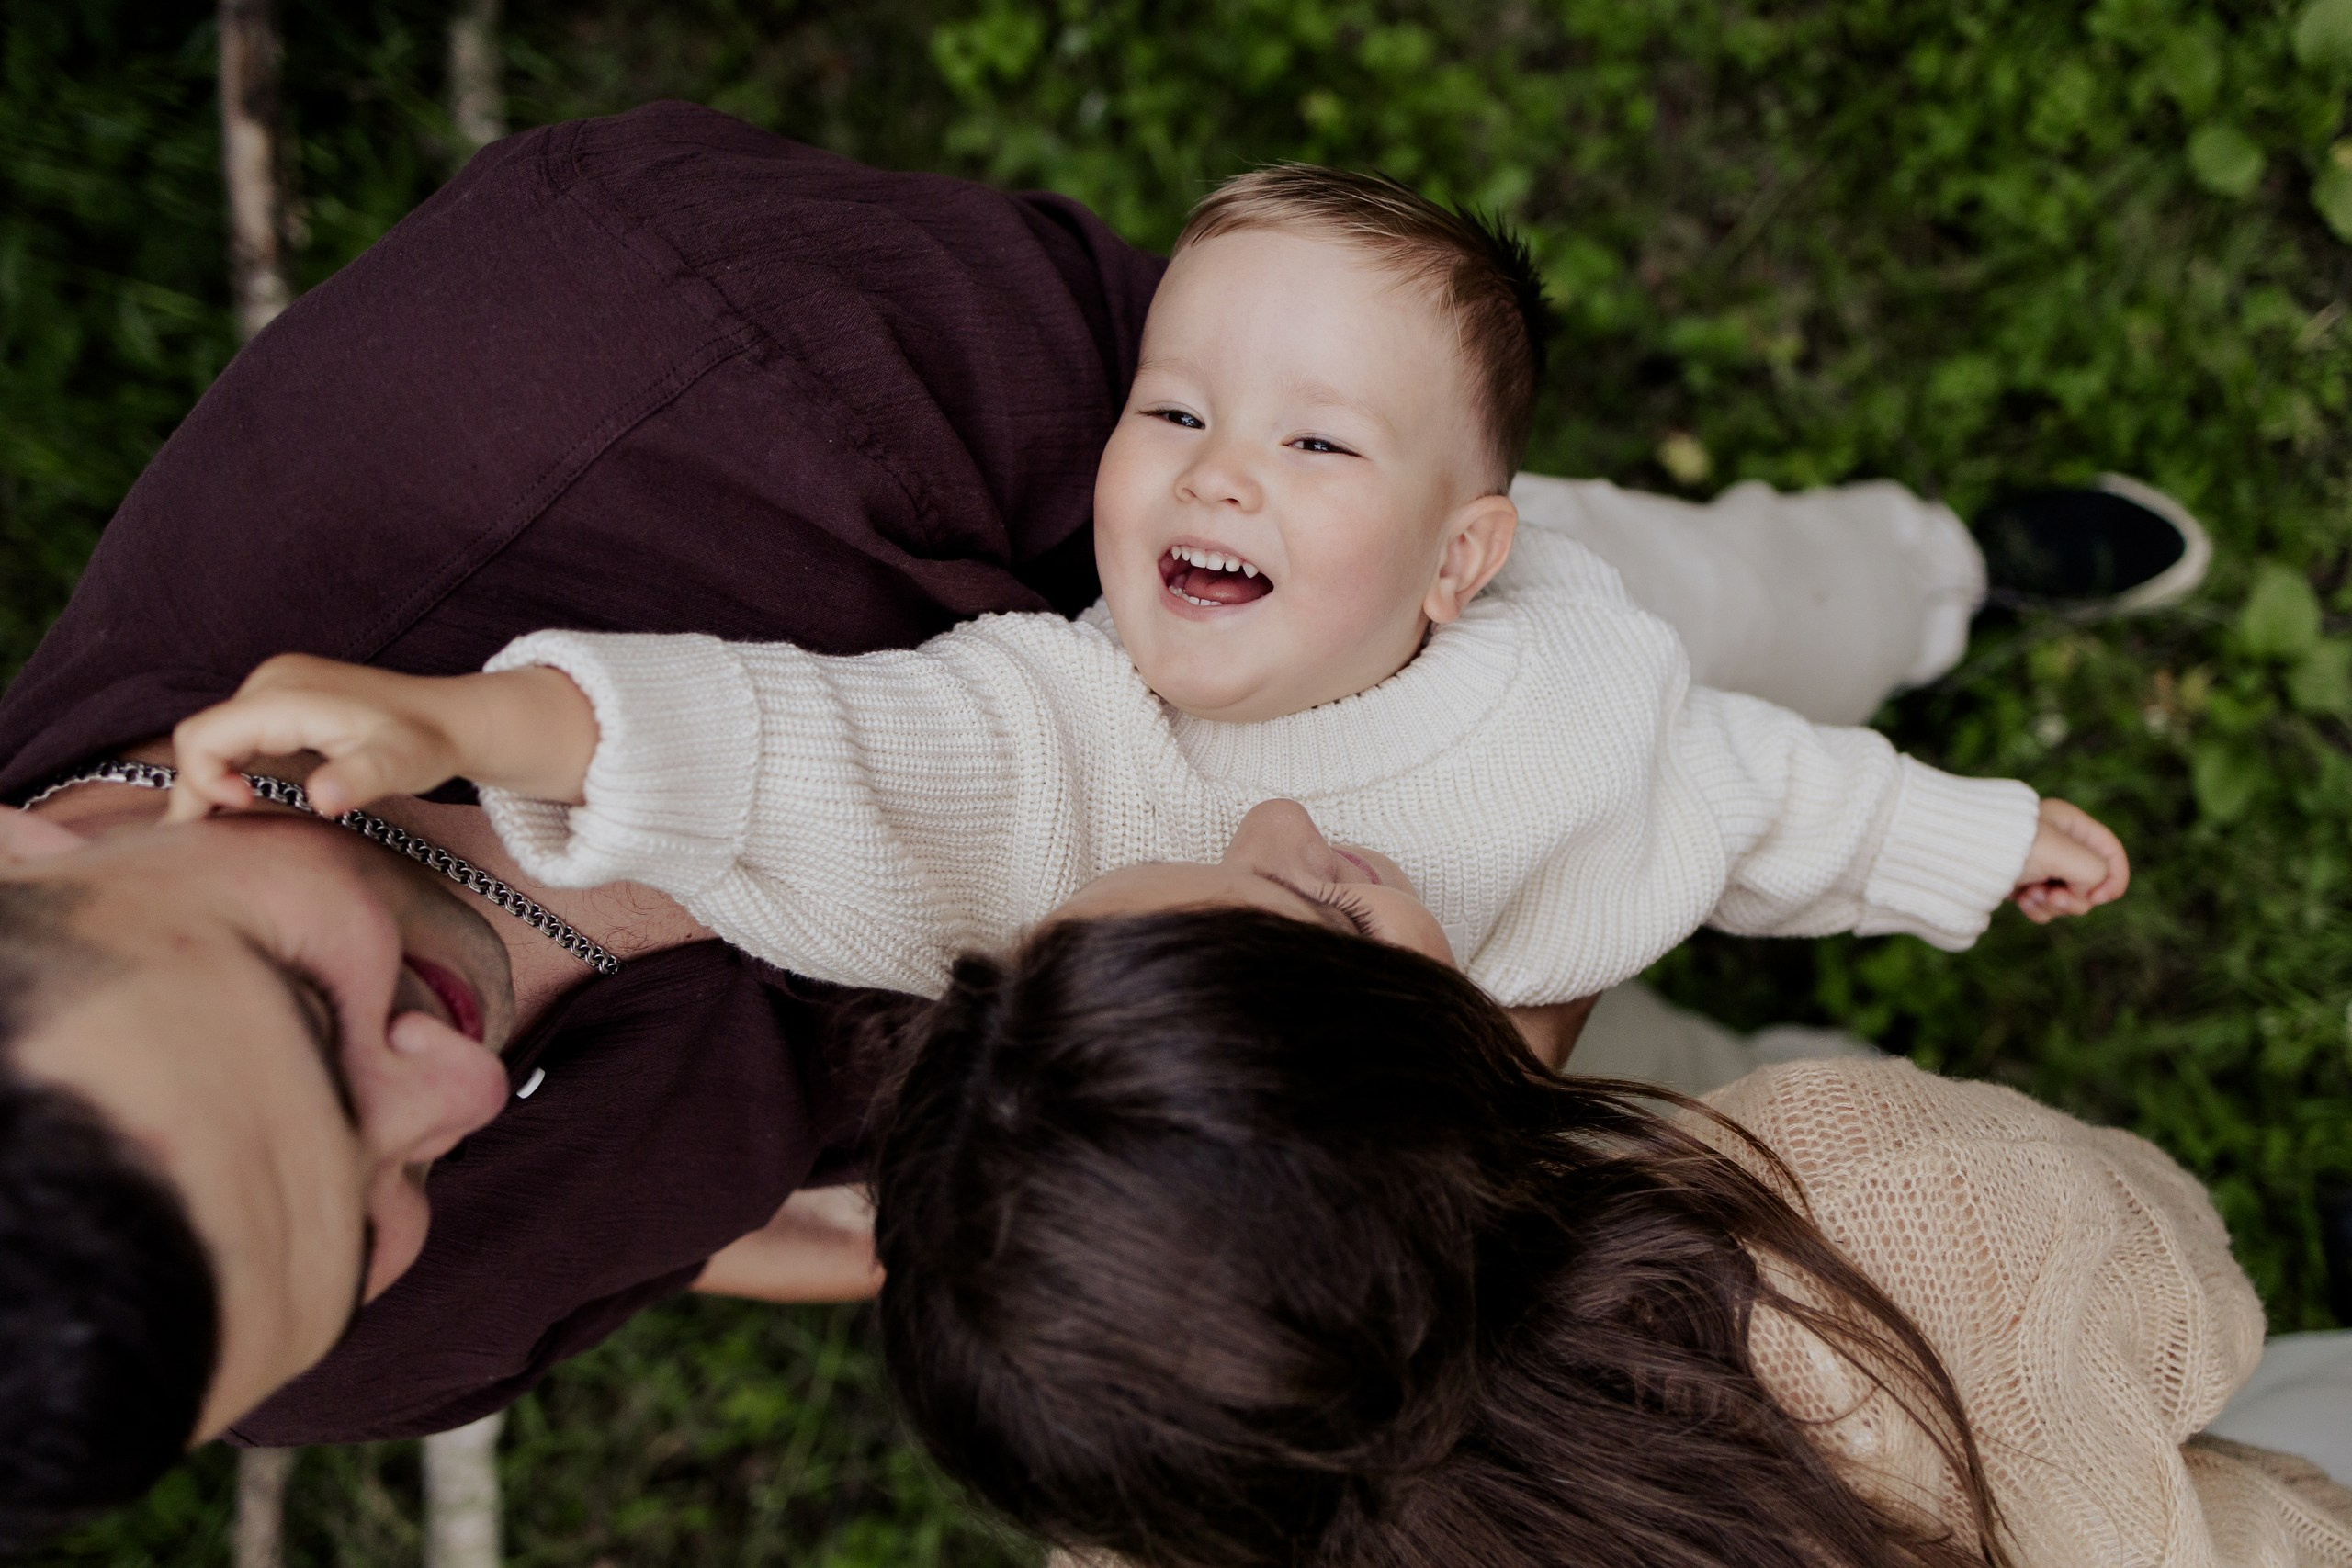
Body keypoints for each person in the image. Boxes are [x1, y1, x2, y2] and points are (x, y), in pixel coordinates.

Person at [0, 103, 2209, 1540]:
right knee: (1682, 1159)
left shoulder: (672, 352)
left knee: (1729, 647)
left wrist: (1489, 833)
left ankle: (1923, 572)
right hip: (1307, 1124)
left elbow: (1247, 429)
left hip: (1432, 685)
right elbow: (639, 1226)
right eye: (383, 1217)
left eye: (318, 1019)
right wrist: (823, 1223)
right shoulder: (259, 1312)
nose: (461, 1094)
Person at [166, 167, 2126, 1017]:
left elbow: (1746, 791)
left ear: (1461, 555)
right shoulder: (1066, 741)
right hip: (1502, 1025)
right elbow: (792, 737)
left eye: (1312, 443)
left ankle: (1933, 574)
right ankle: (1797, 1086)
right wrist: (460, 723)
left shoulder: (1568, 656)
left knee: (1767, 601)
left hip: (1640, 623)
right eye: (1173, 406)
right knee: (1657, 1100)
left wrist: (1948, 839)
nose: (1216, 466)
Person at [865, 804, 2352, 1568]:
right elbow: (2192, 1299)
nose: (1275, 820)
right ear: (1418, 1077)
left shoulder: (1145, 1518)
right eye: (1303, 897)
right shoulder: (1868, 1201)